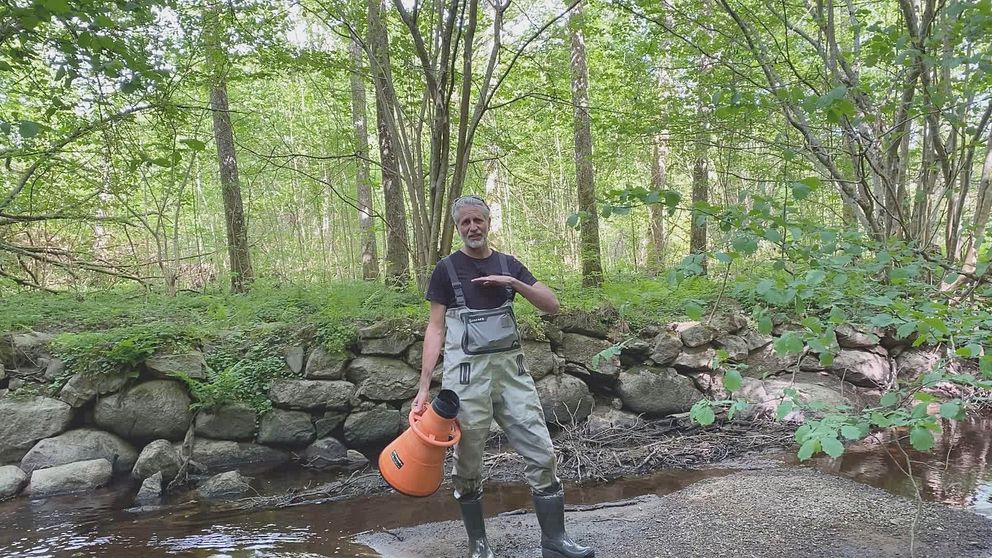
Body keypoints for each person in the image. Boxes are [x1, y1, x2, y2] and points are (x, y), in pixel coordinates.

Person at [412, 195, 594, 558]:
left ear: (489, 221)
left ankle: (555, 542)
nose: (472, 228)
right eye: (465, 223)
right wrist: (423, 389)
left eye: (477, 220)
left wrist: (513, 281)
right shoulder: (445, 270)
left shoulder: (508, 263)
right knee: (467, 462)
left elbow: (552, 305)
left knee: (542, 452)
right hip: (465, 382)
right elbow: (435, 330)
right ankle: (479, 545)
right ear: (457, 227)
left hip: (513, 378)